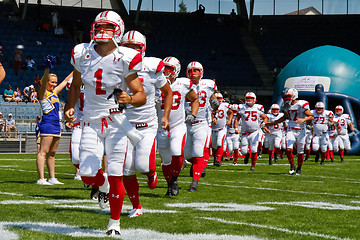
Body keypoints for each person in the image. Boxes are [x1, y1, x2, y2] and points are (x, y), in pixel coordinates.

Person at [64, 11, 146, 236]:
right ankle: (103, 186)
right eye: (99, 25)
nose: (102, 30)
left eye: (108, 26)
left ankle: (114, 223)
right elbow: (75, 84)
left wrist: (129, 98)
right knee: (88, 173)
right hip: (90, 121)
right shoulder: (82, 53)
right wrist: (69, 107)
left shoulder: (125, 56)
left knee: (116, 172)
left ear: (117, 29)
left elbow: (141, 95)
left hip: (116, 123)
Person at [120, 30, 173, 216]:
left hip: (147, 125)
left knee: (142, 166)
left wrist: (165, 117)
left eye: (135, 47)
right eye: (128, 47)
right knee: (126, 169)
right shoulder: (116, 66)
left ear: (142, 49)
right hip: (124, 125)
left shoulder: (152, 67)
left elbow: (169, 92)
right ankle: (136, 207)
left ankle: (151, 173)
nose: (132, 51)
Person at [157, 56, 199, 196]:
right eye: (164, 68)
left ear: (176, 70)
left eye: (169, 68)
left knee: (176, 152)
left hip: (177, 125)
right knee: (166, 160)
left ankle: (174, 180)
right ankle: (170, 184)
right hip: (160, 126)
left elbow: (195, 99)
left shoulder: (183, 84)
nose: (165, 71)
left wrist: (193, 114)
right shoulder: (156, 83)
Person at [36, 57, 72, 186]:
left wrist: (78, 67)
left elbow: (66, 80)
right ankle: (41, 178)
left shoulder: (55, 93)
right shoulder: (43, 93)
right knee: (43, 152)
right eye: (52, 82)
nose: (54, 84)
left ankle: (52, 177)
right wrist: (47, 69)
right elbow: (44, 80)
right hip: (47, 124)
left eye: (55, 82)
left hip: (57, 124)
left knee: (52, 153)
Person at [183, 61, 218, 192]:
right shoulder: (183, 84)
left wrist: (215, 104)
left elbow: (214, 102)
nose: (193, 73)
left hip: (202, 123)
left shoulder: (208, 85)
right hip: (186, 124)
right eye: (191, 71)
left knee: (198, 152)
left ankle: (194, 182)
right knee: (186, 155)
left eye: (196, 70)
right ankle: (197, 165)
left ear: (201, 71)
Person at [266, 88, 314, 175]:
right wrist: (273, 123)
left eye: (288, 96)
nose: (286, 98)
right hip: (291, 129)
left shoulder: (301, 104)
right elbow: (285, 117)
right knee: (288, 149)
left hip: (301, 130)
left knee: (300, 151)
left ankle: (299, 168)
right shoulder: (286, 105)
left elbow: (311, 116)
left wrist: (303, 119)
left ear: (294, 96)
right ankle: (292, 165)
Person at [234, 92, 268, 171]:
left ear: (255, 99)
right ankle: (247, 154)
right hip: (244, 132)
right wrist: (236, 128)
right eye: (248, 98)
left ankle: (253, 165)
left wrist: (263, 123)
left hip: (254, 131)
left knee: (254, 149)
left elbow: (265, 118)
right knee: (243, 151)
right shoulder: (242, 108)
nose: (249, 100)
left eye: (251, 98)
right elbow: (236, 119)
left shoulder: (258, 108)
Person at [211, 92, 233, 166]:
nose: (217, 100)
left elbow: (231, 112)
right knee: (214, 145)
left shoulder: (225, 106)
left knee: (219, 143)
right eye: (216, 98)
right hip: (212, 129)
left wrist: (229, 120)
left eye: (219, 98)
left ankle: (218, 159)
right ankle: (215, 157)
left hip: (222, 128)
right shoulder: (210, 106)